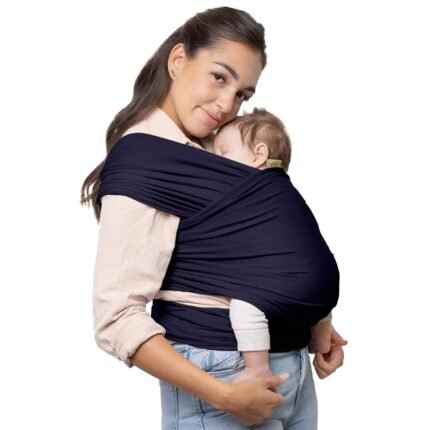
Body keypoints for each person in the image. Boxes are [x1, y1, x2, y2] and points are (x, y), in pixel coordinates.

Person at [81, 6, 347, 429]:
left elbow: (256, 252)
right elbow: (116, 316)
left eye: (242, 95)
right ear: (178, 60)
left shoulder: (217, 144)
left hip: (292, 367)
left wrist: (309, 319)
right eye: (220, 77)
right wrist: (222, 394)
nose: (227, 105)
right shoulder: (147, 159)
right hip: (224, 378)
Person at [212, 108, 335, 384]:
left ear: (258, 155)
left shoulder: (245, 191)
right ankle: (322, 343)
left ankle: (256, 369)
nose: (215, 161)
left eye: (223, 153)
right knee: (311, 295)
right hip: (325, 284)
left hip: (286, 285)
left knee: (245, 304)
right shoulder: (288, 192)